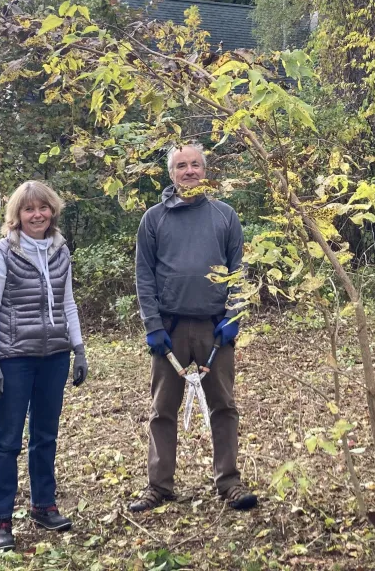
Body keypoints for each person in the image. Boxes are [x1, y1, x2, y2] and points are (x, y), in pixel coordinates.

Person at [130, 143, 257, 513]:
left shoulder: (224, 215)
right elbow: (144, 275)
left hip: (214, 327)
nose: (189, 171)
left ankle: (229, 482)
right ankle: (159, 485)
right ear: (171, 173)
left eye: (195, 165)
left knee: (224, 405)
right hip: (169, 329)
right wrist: (152, 325)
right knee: (163, 409)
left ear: (205, 170)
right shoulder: (153, 219)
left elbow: (239, 272)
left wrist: (233, 318)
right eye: (181, 166)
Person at [0, 180, 88, 551]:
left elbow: (68, 301)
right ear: (17, 215)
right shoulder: (2, 253)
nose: (37, 214)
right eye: (29, 209)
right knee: (7, 441)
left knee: (45, 436)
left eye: (43, 208)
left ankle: (44, 505)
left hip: (54, 357)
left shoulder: (60, 251)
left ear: (52, 210)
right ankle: (0, 522)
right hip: (14, 359)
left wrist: (79, 349)